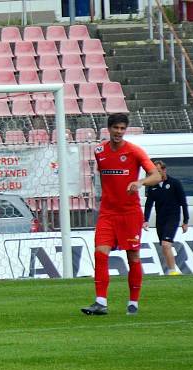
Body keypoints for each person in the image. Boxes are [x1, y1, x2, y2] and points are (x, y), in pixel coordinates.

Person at [82, 113, 160, 316]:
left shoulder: (134, 151)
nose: (119, 131)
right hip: (108, 213)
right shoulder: (99, 151)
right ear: (109, 129)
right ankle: (100, 302)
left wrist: (139, 182)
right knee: (100, 253)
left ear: (125, 130)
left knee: (133, 255)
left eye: (122, 128)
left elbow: (157, 175)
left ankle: (133, 302)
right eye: (116, 128)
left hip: (130, 213)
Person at [143, 160, 189, 275]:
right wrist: (145, 220)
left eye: (159, 171)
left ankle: (173, 271)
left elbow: (183, 202)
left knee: (166, 244)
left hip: (172, 218)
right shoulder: (153, 186)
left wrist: (185, 221)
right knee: (164, 246)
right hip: (160, 219)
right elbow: (149, 204)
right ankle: (170, 270)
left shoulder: (174, 183)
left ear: (164, 170)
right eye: (155, 172)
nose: (157, 174)